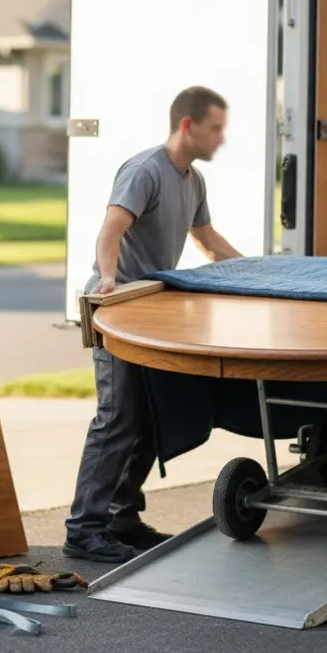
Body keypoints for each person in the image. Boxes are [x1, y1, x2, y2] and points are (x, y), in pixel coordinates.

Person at [63, 85, 244, 563]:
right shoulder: (146, 170)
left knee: (148, 419)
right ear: (188, 125)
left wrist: (256, 271)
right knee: (118, 417)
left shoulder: (193, 181)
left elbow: (207, 241)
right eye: (216, 128)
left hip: (151, 313)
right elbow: (111, 228)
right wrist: (106, 278)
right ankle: (83, 529)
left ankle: (122, 518)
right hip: (117, 308)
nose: (221, 138)